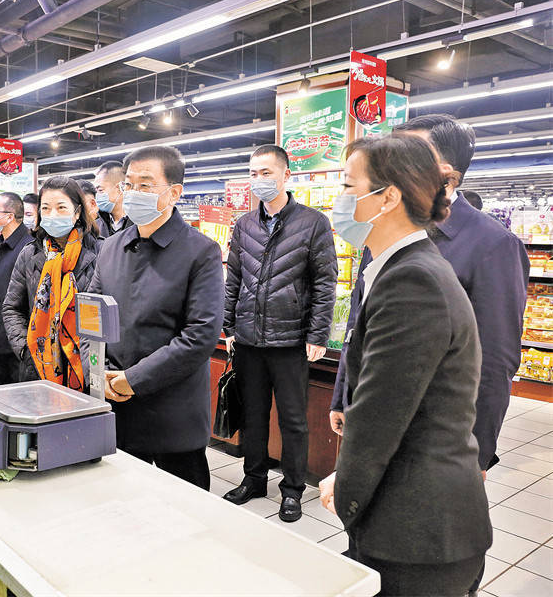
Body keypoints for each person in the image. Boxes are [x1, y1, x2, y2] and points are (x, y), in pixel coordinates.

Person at [319, 134, 491, 596]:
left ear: (388, 197)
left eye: (348, 185)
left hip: (419, 532)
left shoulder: (413, 280)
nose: (340, 199)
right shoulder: (402, 268)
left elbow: (381, 411)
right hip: (414, 517)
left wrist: (347, 486)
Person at [88, 146, 224, 490]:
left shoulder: (202, 252)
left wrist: (132, 379)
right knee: (120, 510)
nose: (133, 193)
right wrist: (98, 372)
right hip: (116, 410)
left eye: (145, 185)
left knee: (183, 520)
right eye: (129, 185)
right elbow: (90, 315)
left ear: (174, 192)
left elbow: (200, 336)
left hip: (172, 414)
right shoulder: (111, 248)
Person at [222, 144, 337, 523]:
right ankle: (253, 479)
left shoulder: (312, 222)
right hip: (249, 340)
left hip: (290, 342)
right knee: (254, 416)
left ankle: (292, 490)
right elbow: (233, 278)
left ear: (286, 175)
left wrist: (318, 334)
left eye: (266, 173)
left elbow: (324, 282)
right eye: (253, 173)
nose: (259, 180)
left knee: (293, 420)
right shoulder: (244, 225)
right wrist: (228, 326)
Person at [2, 176, 101, 387]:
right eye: (45, 208)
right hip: (38, 366)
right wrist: (26, 349)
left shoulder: (100, 252)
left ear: (77, 213)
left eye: (61, 207)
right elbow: (11, 307)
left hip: (86, 366)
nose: (52, 214)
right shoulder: (30, 255)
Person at [0, 192, 33, 385]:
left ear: (10, 216)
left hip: (19, 343)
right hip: (1, 339)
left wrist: (22, 344)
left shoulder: (27, 248)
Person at [94, 160, 133, 235]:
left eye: (100, 190)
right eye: (96, 191)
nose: (97, 196)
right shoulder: (95, 227)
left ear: (120, 188)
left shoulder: (140, 223)